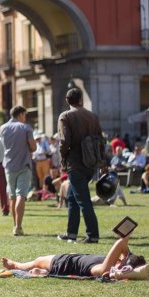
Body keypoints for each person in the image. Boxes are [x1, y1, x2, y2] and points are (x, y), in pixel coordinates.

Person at [57, 89, 102, 244]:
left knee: (83, 199)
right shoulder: (92, 116)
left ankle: (93, 234)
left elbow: (64, 141)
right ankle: (71, 233)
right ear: (81, 99)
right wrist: (103, 163)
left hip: (75, 162)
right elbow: (101, 141)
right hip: (90, 163)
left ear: (67, 100)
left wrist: (62, 158)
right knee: (72, 197)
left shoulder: (66, 116)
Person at [0, 235, 146, 279]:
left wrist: (125, 247)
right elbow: (122, 248)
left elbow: (121, 242)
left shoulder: (103, 269)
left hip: (64, 263)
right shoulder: (115, 262)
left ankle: (16, 265)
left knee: (38, 261)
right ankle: (41, 271)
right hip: (72, 258)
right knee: (39, 261)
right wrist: (127, 254)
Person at [0, 105, 36, 237]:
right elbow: (33, 146)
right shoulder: (25, 127)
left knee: (12, 196)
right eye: (25, 115)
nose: (25, 118)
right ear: (20, 114)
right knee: (21, 194)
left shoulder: (3, 128)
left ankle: (14, 225)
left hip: (9, 165)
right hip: (23, 164)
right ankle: (18, 226)